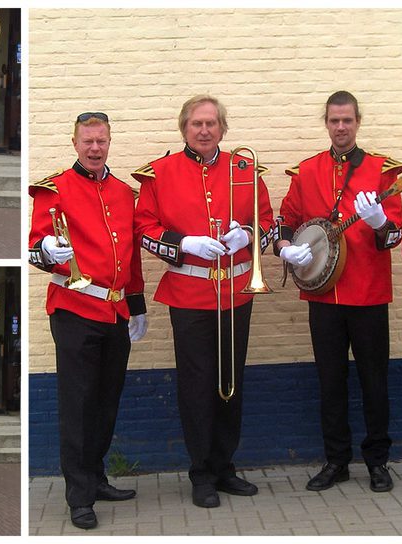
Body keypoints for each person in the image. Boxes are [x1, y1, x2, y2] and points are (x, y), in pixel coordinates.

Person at [133, 95, 273, 509]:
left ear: (223, 128)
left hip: (236, 292)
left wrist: (247, 236)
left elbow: (268, 220)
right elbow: (144, 228)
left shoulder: (245, 169)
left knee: (232, 383)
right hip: (190, 295)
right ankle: (201, 473)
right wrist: (183, 243)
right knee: (196, 387)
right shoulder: (160, 173)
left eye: (212, 123)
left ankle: (225, 466)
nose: (205, 130)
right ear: (184, 128)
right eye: (196, 123)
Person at [276, 90, 402, 493]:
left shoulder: (383, 171)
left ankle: (378, 461)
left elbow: (395, 237)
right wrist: (285, 248)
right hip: (323, 297)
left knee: (374, 381)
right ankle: (336, 460)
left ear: (358, 122)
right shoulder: (307, 171)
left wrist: (381, 220)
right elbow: (284, 220)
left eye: (347, 120)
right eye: (334, 120)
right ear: (327, 123)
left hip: (367, 295)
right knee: (329, 381)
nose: (341, 127)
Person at [29, 111, 147, 530]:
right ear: (75, 143)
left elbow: (130, 255)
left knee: (106, 402)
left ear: (110, 140)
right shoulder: (54, 188)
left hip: (115, 310)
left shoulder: (122, 191)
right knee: (78, 407)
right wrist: (47, 252)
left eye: (101, 140)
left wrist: (137, 305)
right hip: (75, 310)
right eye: (87, 141)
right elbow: (34, 248)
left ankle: (96, 478)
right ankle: (79, 497)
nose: (94, 148)